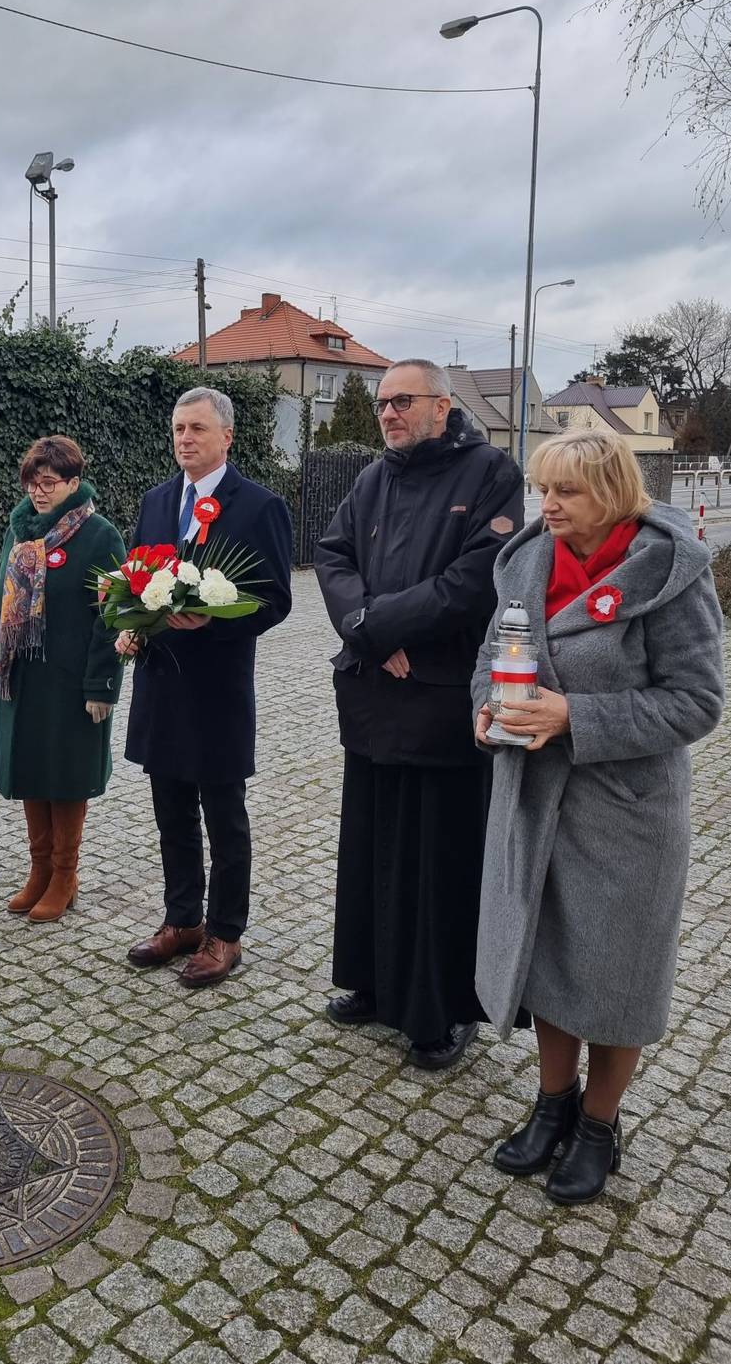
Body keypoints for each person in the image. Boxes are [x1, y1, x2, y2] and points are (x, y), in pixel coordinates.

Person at [473, 428, 723, 1204]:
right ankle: (551, 1106)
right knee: (550, 965)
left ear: (611, 492)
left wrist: (575, 714)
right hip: (535, 800)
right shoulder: (526, 561)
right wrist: (485, 710)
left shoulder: (668, 575)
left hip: (626, 813)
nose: (546, 504)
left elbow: (697, 702)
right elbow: (491, 655)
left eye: (566, 491)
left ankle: (598, 1124)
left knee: (616, 977)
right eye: (542, 488)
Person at [314, 360, 524, 1068]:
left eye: (402, 399)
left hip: (439, 697)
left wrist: (387, 627)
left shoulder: (491, 472)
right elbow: (333, 554)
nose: (388, 412)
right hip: (375, 695)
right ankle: (372, 982)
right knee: (371, 851)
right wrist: (369, 630)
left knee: (439, 860)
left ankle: (442, 1008)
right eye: (382, 402)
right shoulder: (375, 476)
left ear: (443, 404)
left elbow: (476, 579)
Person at [122, 387, 293, 987]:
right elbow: (137, 580)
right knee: (170, 812)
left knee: (225, 817)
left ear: (227, 437)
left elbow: (276, 600)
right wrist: (130, 625)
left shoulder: (259, 506)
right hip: (161, 685)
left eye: (196, 428)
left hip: (218, 686)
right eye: (177, 429)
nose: (185, 439)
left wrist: (217, 620)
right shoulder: (157, 500)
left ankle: (226, 933)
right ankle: (182, 921)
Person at [0, 436, 125, 922]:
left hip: (70, 680)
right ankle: (38, 870)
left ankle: (65, 874)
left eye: (48, 484)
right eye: (31, 483)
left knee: (66, 775)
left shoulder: (99, 534)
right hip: (22, 678)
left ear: (74, 483)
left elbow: (114, 614)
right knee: (32, 772)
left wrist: (101, 684)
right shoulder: (19, 530)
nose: (38, 493)